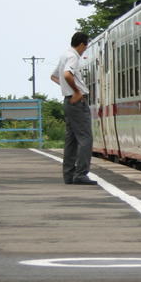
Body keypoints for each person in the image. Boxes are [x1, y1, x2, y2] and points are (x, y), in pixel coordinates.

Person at [50, 32, 97, 185]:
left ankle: (69, 175)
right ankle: (81, 174)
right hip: (76, 103)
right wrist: (76, 91)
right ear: (82, 44)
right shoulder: (73, 56)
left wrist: (66, 89)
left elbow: (54, 76)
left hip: (68, 101)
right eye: (86, 46)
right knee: (85, 139)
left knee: (71, 140)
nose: (85, 50)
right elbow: (67, 75)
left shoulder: (64, 55)